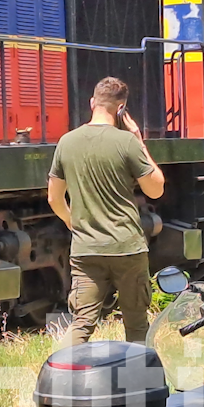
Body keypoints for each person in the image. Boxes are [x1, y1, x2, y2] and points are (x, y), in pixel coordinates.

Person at [47, 77, 166, 343]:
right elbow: (156, 189)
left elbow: (54, 198)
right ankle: (141, 381)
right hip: (127, 248)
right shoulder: (127, 142)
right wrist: (139, 140)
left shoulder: (67, 141)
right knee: (136, 326)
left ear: (92, 102)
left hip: (86, 249)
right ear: (121, 109)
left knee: (81, 324)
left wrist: (72, 223)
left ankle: (62, 380)